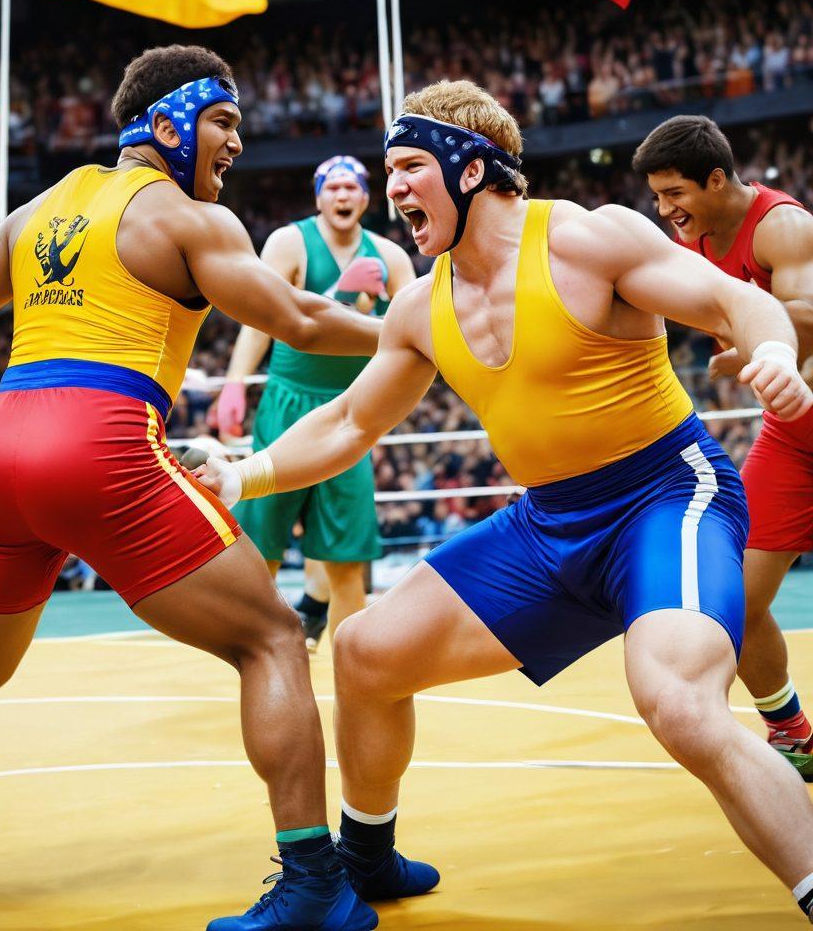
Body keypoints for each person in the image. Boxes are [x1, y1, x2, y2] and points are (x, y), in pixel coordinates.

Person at [195, 79, 813, 923]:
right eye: (390, 170)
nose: (393, 187)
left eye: (410, 165)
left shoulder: (590, 237)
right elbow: (345, 421)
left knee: (678, 702)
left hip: (665, 494)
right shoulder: (420, 305)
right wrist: (244, 473)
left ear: (473, 168)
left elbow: (736, 300)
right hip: (549, 522)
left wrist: (774, 349)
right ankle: (367, 859)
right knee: (366, 651)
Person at [0, 44, 379, 931]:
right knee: (275, 638)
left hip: (1, 446)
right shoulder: (187, 218)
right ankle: (317, 884)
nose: (238, 142)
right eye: (225, 121)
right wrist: (420, 325)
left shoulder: (35, 212)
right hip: (98, 442)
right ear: (169, 122)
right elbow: (298, 318)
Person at [633, 114, 813, 776]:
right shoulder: (693, 242)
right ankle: (790, 728)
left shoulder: (782, 226)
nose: (664, 208)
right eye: (656, 195)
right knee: (739, 596)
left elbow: (810, 317)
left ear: (716, 178)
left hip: (801, 417)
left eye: (674, 192)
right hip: (793, 439)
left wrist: (750, 349)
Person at [213, 155, 415, 646]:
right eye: (333, 188)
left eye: (351, 187)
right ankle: (258, 654)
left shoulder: (391, 257)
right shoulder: (289, 242)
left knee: (347, 555)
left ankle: (352, 662)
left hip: (352, 408)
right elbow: (264, 317)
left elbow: (417, 333)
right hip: (286, 402)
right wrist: (236, 382)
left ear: (366, 196)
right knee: (263, 544)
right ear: (318, 197)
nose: (342, 196)